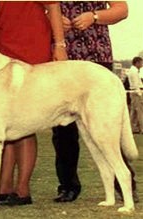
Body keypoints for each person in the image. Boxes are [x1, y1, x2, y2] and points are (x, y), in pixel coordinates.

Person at [0, 1, 67, 205]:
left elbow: (53, 5)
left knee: (25, 121)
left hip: (29, 48)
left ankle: (22, 188)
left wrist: (59, 45)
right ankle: (3, 186)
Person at [52, 1, 138, 203]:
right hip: (62, 58)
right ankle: (68, 186)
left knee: (106, 129)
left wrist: (94, 16)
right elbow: (41, 10)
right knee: (63, 131)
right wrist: (54, 20)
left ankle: (124, 185)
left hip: (97, 57)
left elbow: (122, 10)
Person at [127, 56, 143, 134]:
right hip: (136, 93)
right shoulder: (133, 72)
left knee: (134, 112)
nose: (142, 64)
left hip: (134, 92)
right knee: (139, 111)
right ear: (137, 63)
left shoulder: (134, 71)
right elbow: (135, 84)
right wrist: (140, 94)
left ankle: (132, 128)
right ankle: (141, 128)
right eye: (141, 62)